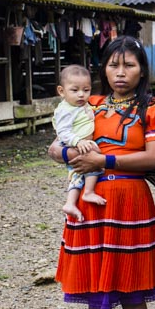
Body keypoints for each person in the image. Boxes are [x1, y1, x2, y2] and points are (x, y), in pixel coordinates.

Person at [49, 36, 155, 309]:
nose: (121, 73)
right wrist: (69, 152)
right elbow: (55, 148)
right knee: (95, 296)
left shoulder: (154, 108)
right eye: (114, 65)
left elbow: (152, 159)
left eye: (130, 65)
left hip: (130, 202)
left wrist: (105, 162)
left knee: (133, 294)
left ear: (142, 69)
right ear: (103, 68)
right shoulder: (91, 102)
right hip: (91, 207)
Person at [53, 64, 105, 222]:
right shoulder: (65, 110)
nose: (81, 95)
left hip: (84, 144)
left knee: (78, 175)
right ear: (61, 91)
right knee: (88, 168)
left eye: (86, 90)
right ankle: (86, 193)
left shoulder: (79, 105)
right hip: (76, 145)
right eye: (75, 90)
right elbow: (62, 132)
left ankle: (70, 203)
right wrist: (78, 141)